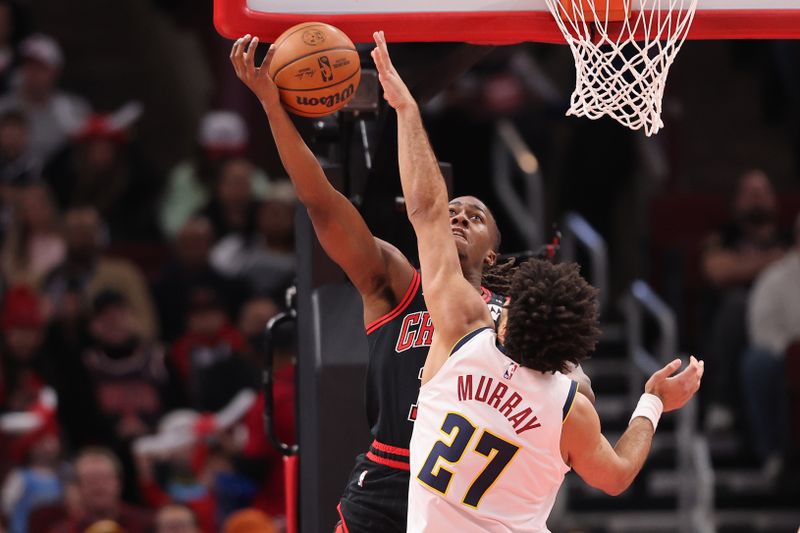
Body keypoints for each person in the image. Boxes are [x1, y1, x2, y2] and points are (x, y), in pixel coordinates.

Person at [230, 34, 592, 532]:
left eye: (476, 215)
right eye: (452, 210)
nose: (460, 217)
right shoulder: (396, 282)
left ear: (493, 249)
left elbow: (577, 389)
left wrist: (569, 381)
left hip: (466, 494)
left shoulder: (516, 316)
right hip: (388, 477)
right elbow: (322, 202)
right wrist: (274, 108)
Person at [369, 30, 704, 531]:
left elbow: (426, 209)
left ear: (510, 313)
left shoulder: (462, 333)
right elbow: (615, 477)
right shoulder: (570, 406)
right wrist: (653, 401)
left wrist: (406, 109)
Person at [700, 169, 789, 431]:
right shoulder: (723, 237)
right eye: (750, 194)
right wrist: (774, 261)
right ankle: (722, 399)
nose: (757, 200)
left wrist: (747, 266)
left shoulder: (788, 238)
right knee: (739, 303)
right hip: (736, 331)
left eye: (762, 193)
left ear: (774, 200)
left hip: (781, 324)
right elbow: (718, 272)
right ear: (737, 203)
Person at [741, 212, 800, 478]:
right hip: (785, 361)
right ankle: (774, 453)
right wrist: (791, 354)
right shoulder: (775, 278)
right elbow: (762, 332)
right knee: (758, 362)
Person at [48, 447, 153, 533]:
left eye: (104, 478)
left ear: (119, 483)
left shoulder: (146, 524)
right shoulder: (64, 530)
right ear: (79, 488)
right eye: (91, 480)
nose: (98, 486)